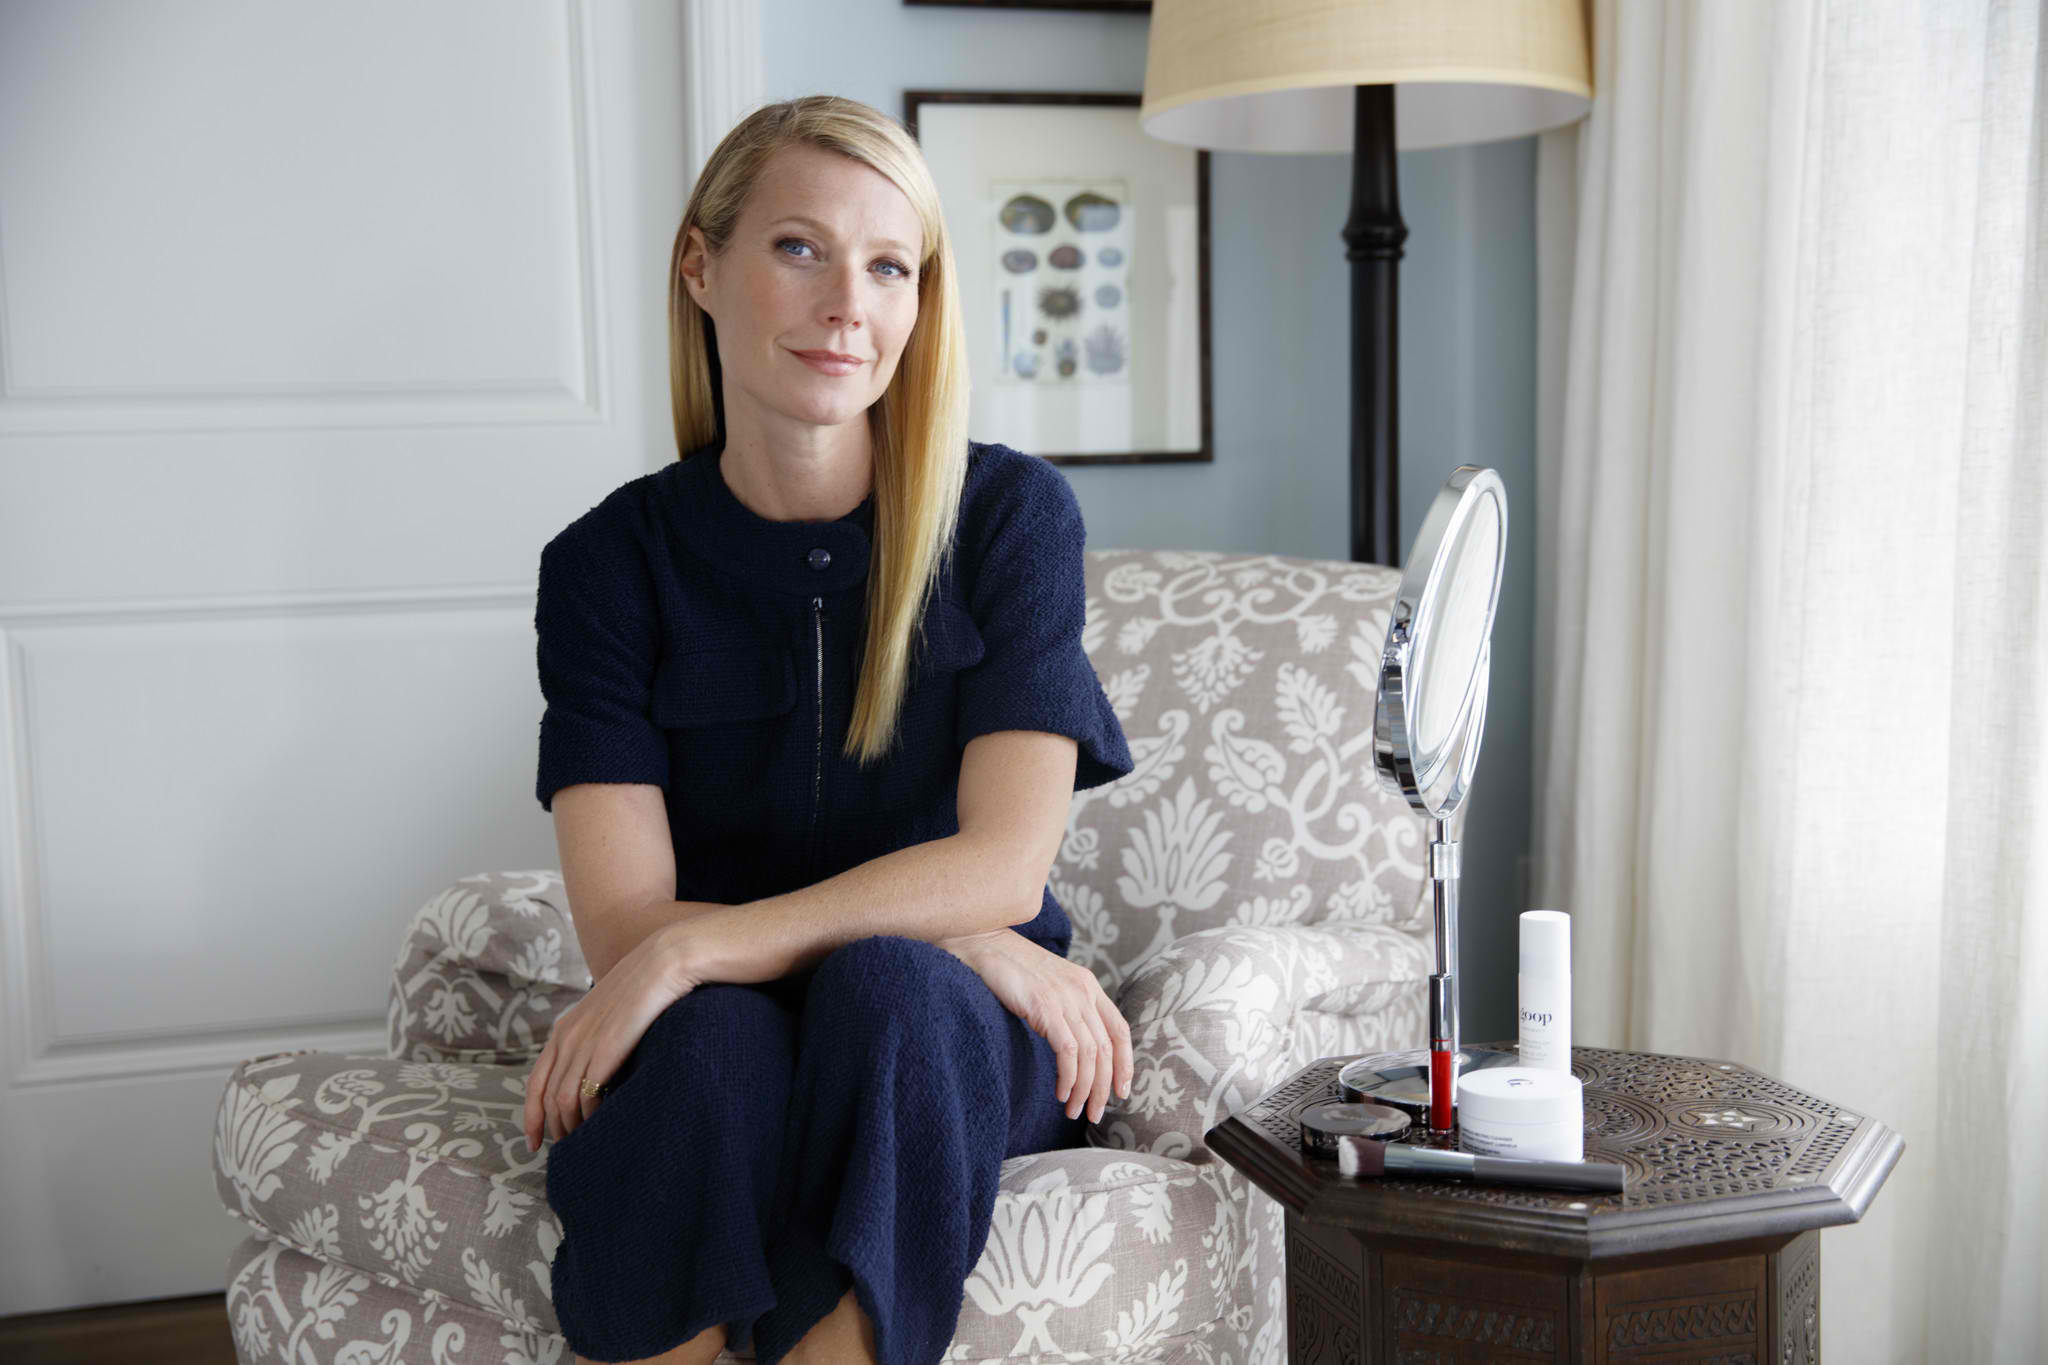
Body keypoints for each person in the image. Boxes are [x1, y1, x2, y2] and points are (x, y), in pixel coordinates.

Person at [519, 94, 1138, 1365]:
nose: (848, 304)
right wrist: (962, 929)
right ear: (700, 266)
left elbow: (1003, 865)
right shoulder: (606, 565)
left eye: (889, 265)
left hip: (951, 1035)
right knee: (708, 1045)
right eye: (799, 247)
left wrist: (942, 939)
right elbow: (628, 928)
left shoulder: (1011, 519)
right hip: (730, 1028)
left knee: (890, 992)